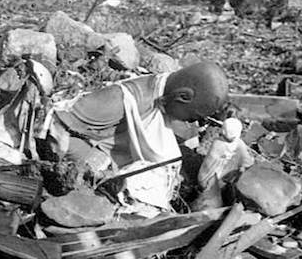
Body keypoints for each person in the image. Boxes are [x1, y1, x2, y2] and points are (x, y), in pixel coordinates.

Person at [46, 61, 230, 214]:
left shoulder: (164, 96)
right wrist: (99, 166)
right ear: (182, 96)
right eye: (193, 117)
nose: (194, 123)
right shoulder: (120, 100)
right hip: (94, 163)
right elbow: (55, 129)